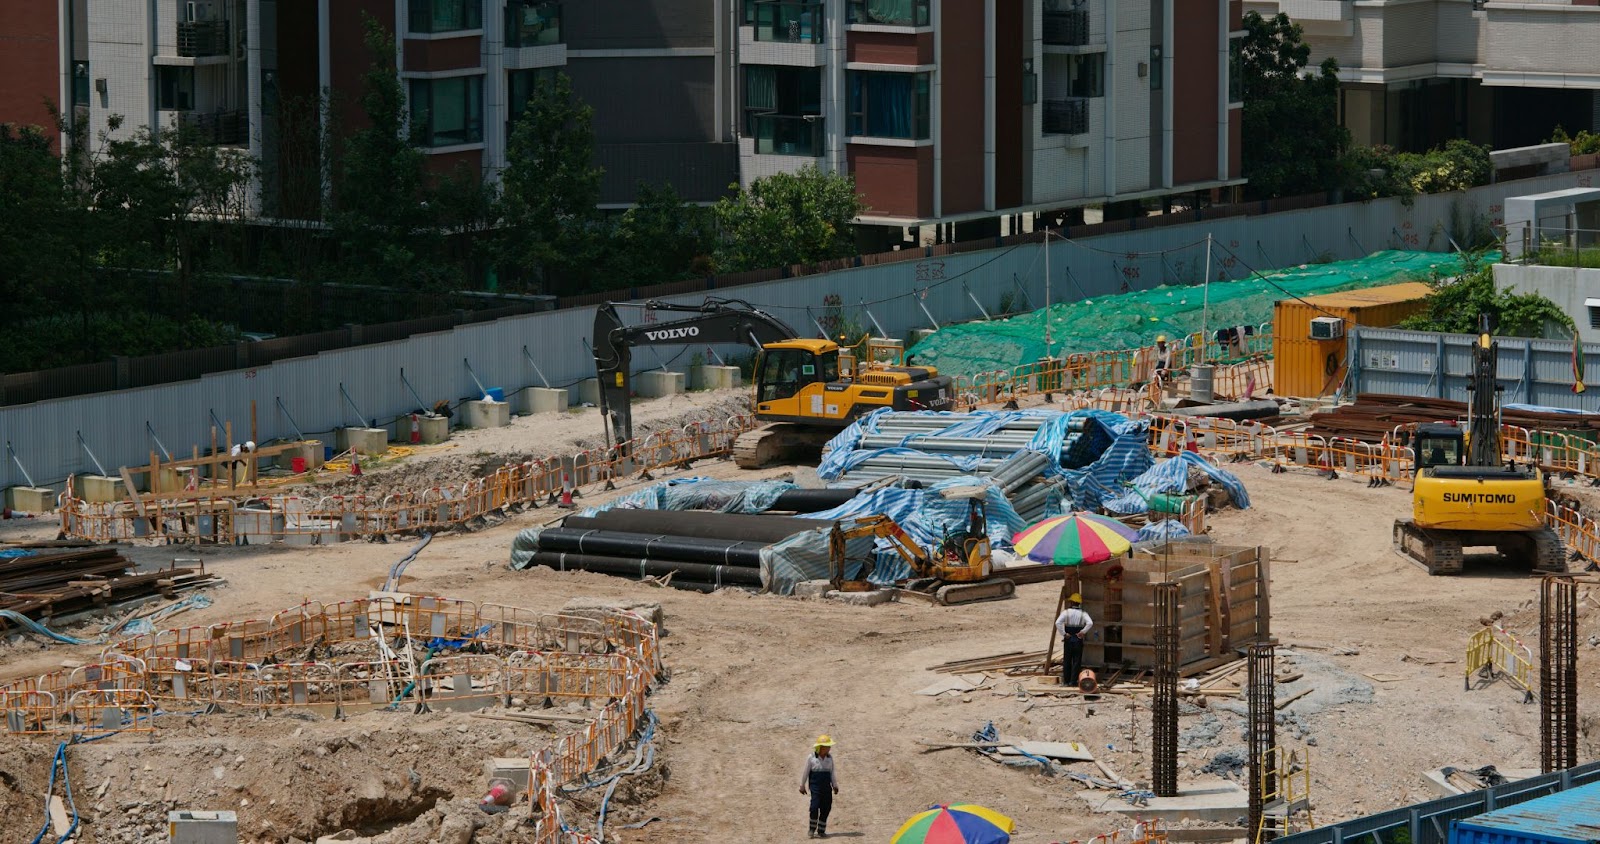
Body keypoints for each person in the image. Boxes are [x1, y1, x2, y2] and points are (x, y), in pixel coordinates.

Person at [799, 734, 840, 838]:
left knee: (826, 808)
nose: (830, 748)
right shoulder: (811, 758)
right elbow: (805, 772)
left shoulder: (829, 758)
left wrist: (835, 785)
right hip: (815, 788)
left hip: (827, 788)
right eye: (828, 746)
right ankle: (812, 829)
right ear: (822, 747)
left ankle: (821, 830)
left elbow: (832, 772)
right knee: (814, 807)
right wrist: (802, 785)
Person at [1055, 593, 1094, 689]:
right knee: (1076, 661)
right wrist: (1083, 632)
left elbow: (1058, 623)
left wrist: (1064, 633)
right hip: (1078, 639)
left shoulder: (1066, 612)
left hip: (1068, 639)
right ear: (1079, 603)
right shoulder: (1083, 613)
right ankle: (1073, 682)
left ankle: (1066, 681)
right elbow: (1090, 623)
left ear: (1072, 602)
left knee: (1067, 660)